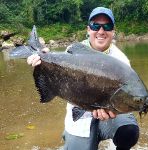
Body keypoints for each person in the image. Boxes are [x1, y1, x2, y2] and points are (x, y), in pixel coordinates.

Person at [27, 7, 139, 150]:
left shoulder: (122, 61)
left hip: (111, 115)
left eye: (107, 26)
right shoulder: (73, 51)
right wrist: (41, 61)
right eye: (95, 26)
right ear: (88, 29)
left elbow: (126, 98)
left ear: (113, 31)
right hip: (79, 115)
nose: (101, 31)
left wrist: (111, 112)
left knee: (129, 131)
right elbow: (53, 75)